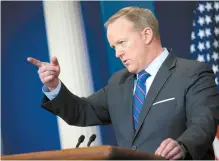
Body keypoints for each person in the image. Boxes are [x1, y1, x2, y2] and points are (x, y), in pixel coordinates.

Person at [27, 6, 219, 160]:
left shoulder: (192, 73)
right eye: (113, 47)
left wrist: (183, 146)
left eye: (122, 43)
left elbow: (204, 123)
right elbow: (81, 111)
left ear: (146, 35)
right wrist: (53, 86)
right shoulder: (118, 83)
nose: (117, 53)